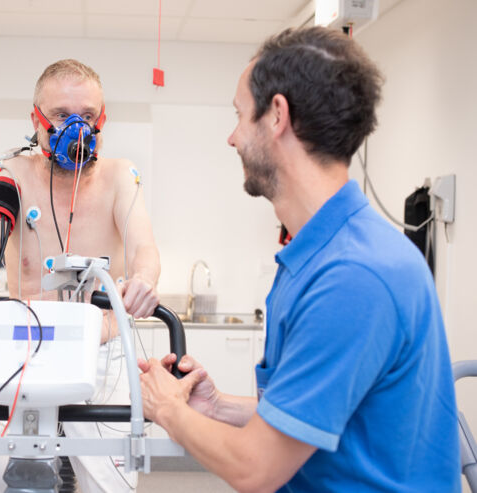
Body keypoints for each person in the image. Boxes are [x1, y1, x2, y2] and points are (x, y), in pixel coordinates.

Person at [138, 26, 460, 492]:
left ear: (277, 116)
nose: (232, 138)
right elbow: (324, 416)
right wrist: (219, 407)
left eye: (239, 116)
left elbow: (256, 468)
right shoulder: (316, 257)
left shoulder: (353, 276)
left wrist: (167, 407)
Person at [0, 59, 160, 493]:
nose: (77, 125)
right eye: (61, 115)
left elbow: (143, 245)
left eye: (89, 116)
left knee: (109, 484)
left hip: (101, 350)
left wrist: (144, 278)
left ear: (102, 119)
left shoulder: (120, 176)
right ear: (35, 119)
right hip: (22, 350)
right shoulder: (12, 174)